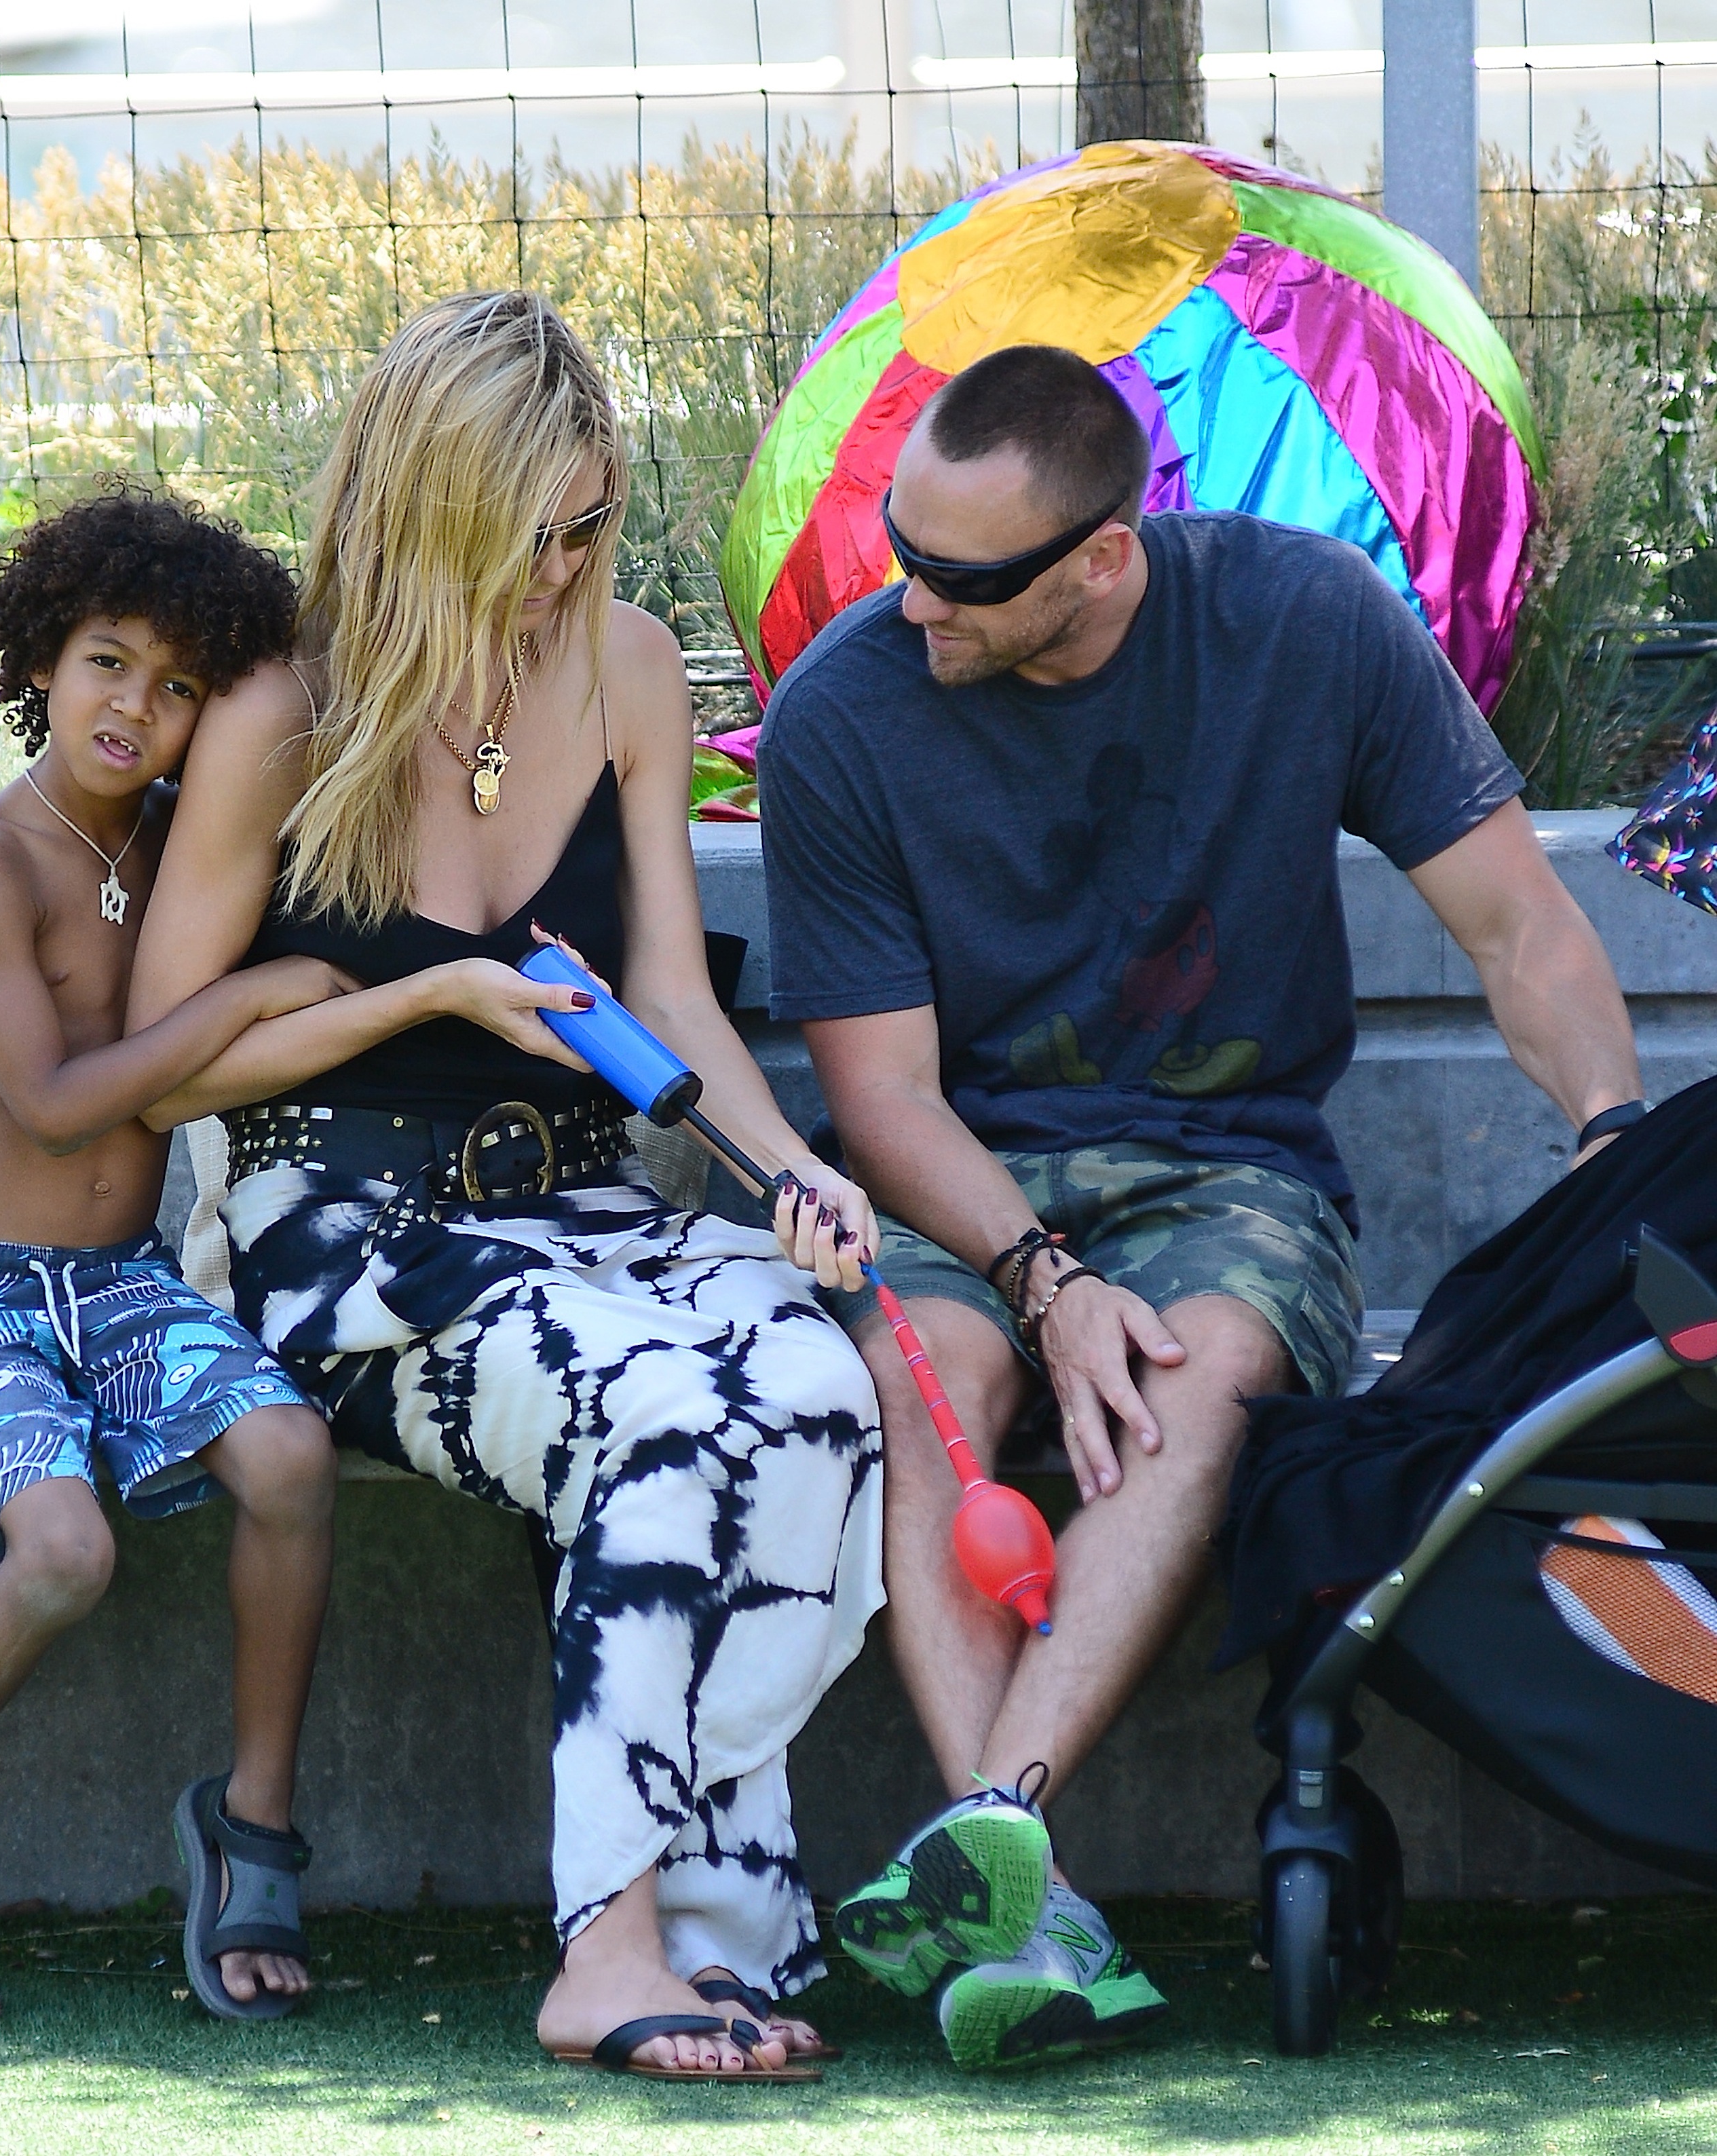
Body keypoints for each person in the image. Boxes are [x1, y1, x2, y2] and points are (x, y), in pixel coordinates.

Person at [757, 343, 1646, 2070]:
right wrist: (1038, 1273)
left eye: (961, 576)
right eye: (896, 545)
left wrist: (1612, 1132)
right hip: (965, 1177)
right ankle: (1028, 1885)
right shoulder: (844, 715)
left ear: (1103, 555)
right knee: (921, 1384)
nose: (907, 598)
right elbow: (881, 1098)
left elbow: (1522, 930)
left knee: (1208, 1374)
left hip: (1229, 1170)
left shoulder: (1302, 621)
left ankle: (994, 1851)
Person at [124, 291, 884, 2081]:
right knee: (645, 1401)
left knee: (809, 1381)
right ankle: (604, 1944)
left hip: (591, 1198)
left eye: (591, 525)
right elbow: (164, 1062)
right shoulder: (279, 701)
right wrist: (443, 995)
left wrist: (794, 1169)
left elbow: (674, 998)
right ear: (425, 503)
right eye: (528, 535)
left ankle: (713, 1926)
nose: (561, 569)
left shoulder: (626, 661)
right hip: (334, 1235)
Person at [0, 490, 346, 2030]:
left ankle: (253, 1820)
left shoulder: (188, 846)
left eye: (181, 686)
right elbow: (48, 1104)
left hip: (119, 1286)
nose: (138, 708)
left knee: (292, 1452)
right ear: (42, 655)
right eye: (109, 661)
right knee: (63, 1549)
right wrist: (250, 1002)